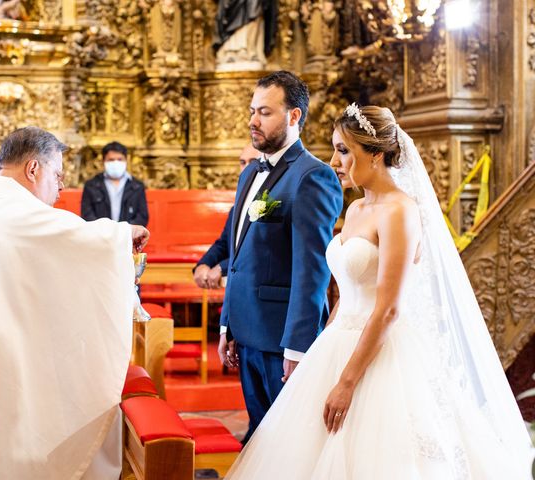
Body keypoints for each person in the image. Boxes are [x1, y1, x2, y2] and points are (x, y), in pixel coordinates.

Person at [225, 105, 533, 479]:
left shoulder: (400, 212)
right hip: (337, 343)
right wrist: (320, 351)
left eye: (343, 150)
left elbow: (388, 309)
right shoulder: (355, 210)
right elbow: (345, 293)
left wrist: (347, 381)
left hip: (382, 352)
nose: (334, 161)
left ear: (376, 153)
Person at [0, 127, 150, 480]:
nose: (60, 189)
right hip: (3, 354)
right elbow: (69, 235)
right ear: (33, 169)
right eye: (57, 176)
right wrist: (121, 235)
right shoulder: (10, 213)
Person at [218, 71, 343, 442]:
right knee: (259, 436)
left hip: (281, 341)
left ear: (293, 117)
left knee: (288, 442)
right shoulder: (248, 175)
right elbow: (239, 254)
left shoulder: (313, 177)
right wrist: (227, 324)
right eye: (252, 111)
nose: (253, 121)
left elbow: (312, 269)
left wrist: (298, 346)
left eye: (265, 112)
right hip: (246, 332)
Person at [194, 144, 260, 289]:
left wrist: (221, 268)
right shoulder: (237, 207)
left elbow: (258, 250)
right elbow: (224, 243)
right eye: (242, 162)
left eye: (253, 162)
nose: (246, 167)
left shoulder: (274, 200)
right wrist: (204, 264)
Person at [81, 141, 149, 227]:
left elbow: (142, 216)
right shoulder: (91, 185)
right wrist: (104, 231)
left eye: (120, 159)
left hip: (127, 236)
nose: (116, 163)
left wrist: (126, 231)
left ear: (126, 160)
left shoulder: (137, 186)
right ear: (103, 161)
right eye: (111, 160)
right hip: (100, 236)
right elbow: (87, 214)